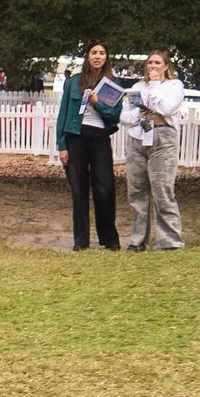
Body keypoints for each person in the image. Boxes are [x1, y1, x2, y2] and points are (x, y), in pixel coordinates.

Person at [53, 43, 121, 252]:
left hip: (99, 136)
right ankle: (81, 240)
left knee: (105, 188)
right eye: (93, 53)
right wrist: (62, 145)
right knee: (79, 189)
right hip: (76, 136)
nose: (97, 56)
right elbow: (63, 114)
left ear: (106, 57)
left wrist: (97, 102)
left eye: (101, 53)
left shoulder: (112, 84)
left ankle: (109, 239)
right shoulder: (74, 82)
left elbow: (115, 115)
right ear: (88, 57)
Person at [121, 51, 186, 250]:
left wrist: (156, 84)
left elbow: (166, 108)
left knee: (162, 190)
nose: (153, 66)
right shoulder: (137, 87)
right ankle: (138, 240)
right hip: (138, 137)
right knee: (137, 191)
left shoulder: (174, 86)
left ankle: (170, 242)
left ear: (166, 66)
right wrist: (140, 113)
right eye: (150, 62)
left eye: (157, 62)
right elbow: (124, 117)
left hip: (163, 138)